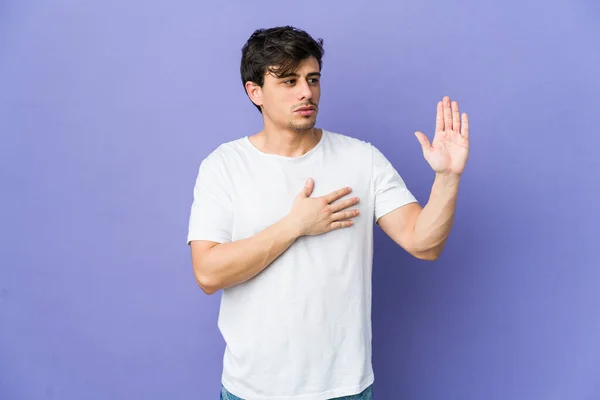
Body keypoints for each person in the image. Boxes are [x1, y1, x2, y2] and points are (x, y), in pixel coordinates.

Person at [186, 26, 470, 400]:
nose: (306, 91)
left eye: (312, 79)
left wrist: (447, 178)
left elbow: (424, 243)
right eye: (289, 81)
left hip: (344, 389)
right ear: (255, 92)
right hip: (252, 390)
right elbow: (207, 273)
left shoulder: (361, 158)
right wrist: (295, 226)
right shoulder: (223, 166)